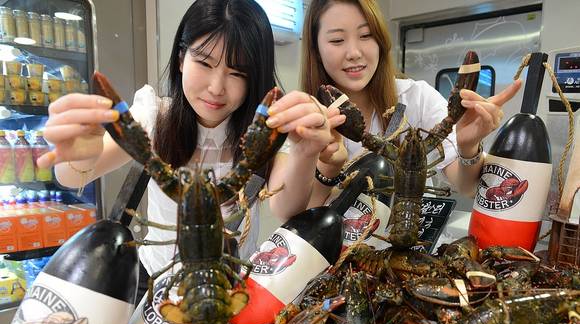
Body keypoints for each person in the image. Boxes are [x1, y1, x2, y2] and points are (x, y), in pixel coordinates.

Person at [37, 0, 344, 297]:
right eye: (205, 62)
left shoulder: (264, 130)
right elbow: (74, 175)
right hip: (156, 284)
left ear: (255, 78)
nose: (216, 87)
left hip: (228, 289)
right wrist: (79, 154)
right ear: (182, 58)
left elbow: (285, 209)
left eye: (237, 73)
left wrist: (305, 152)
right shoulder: (154, 116)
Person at [284, 0, 523, 204]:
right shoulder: (305, 117)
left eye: (366, 35)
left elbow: (467, 187)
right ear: (316, 49)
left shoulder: (417, 98)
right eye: (337, 40)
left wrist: (468, 147)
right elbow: (298, 211)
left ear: (380, 41)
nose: (354, 52)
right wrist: (326, 168)